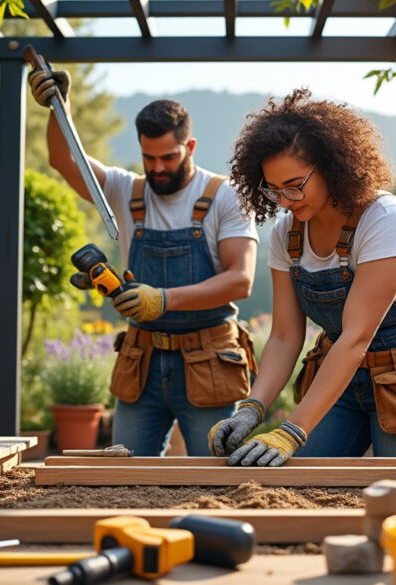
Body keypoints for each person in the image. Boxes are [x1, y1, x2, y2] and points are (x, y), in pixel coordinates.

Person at [208, 89, 396, 466]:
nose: (284, 200)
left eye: (295, 184)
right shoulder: (287, 234)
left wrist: (292, 430)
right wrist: (252, 408)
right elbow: (285, 336)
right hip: (341, 380)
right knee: (304, 482)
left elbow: (355, 337)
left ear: (332, 167)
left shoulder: (384, 220)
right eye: (274, 189)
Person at [28, 68, 259, 456]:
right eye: (148, 157)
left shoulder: (224, 197)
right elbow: (65, 160)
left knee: (213, 480)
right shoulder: (126, 190)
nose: (157, 168)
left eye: (168, 157)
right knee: (123, 474)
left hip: (208, 361)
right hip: (142, 361)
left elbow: (241, 280)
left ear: (191, 146)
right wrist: (57, 108)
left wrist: (162, 299)